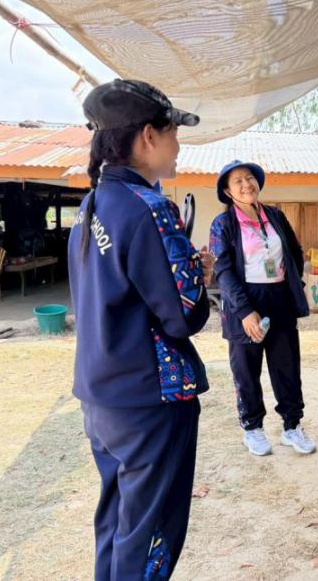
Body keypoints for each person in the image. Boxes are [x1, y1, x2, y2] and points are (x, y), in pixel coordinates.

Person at [69, 79, 212, 579]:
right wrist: (196, 275)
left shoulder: (90, 208)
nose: (178, 146)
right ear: (149, 136)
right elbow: (185, 314)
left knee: (117, 523)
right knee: (150, 533)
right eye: (174, 133)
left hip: (102, 397)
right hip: (148, 399)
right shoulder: (149, 208)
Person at [209, 160, 316, 456]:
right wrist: (244, 311)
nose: (246, 185)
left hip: (279, 299)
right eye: (238, 182)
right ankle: (252, 429)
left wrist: (294, 284)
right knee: (246, 369)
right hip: (244, 301)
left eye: (249, 178)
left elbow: (294, 251)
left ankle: (292, 427)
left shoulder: (275, 216)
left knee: (287, 366)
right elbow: (223, 270)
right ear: (228, 192)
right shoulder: (223, 224)